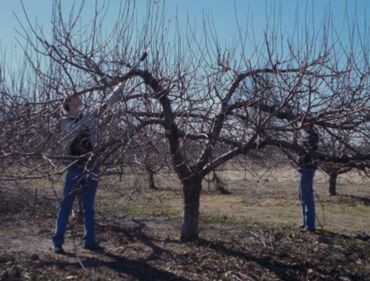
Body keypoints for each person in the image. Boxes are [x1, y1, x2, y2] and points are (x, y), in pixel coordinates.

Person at [52, 84, 124, 254]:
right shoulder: (62, 122)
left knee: (88, 206)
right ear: (68, 103)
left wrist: (120, 86)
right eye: (75, 96)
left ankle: (89, 241)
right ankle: (58, 241)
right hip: (73, 166)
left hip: (91, 166)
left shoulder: (89, 117)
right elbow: (48, 135)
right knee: (66, 205)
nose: (79, 98)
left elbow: (107, 104)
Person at [297, 118, 319, 232]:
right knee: (302, 197)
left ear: (310, 125)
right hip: (302, 169)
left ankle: (310, 226)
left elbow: (304, 149)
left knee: (307, 197)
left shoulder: (312, 136)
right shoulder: (307, 136)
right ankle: (305, 222)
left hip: (307, 169)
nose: (303, 127)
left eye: (305, 124)